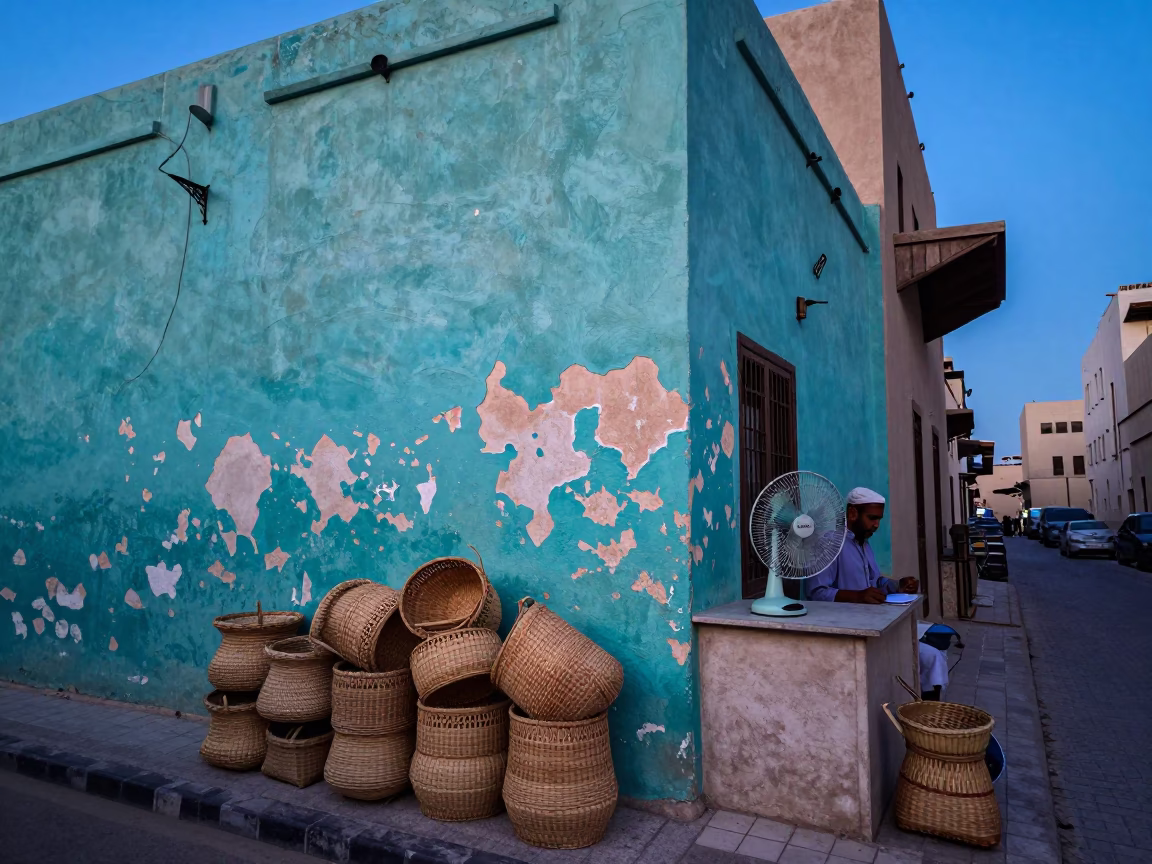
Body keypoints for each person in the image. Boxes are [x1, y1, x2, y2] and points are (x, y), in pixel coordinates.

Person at [807, 487, 950, 700]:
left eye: (879, 519)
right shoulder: (829, 543)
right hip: (849, 631)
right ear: (853, 513)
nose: (876, 525)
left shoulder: (864, 545)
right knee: (931, 658)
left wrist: (897, 585)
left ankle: (925, 715)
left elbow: (876, 582)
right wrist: (857, 596)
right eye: (872, 518)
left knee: (936, 647)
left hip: (876, 623)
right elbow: (816, 593)